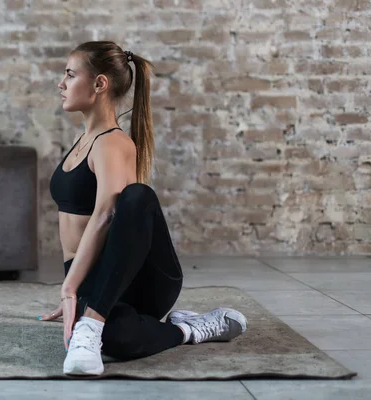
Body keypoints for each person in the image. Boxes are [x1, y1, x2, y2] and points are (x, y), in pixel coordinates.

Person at [37, 41, 247, 376]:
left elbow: (107, 216)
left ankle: (93, 325)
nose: (60, 83)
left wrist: (69, 288)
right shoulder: (84, 141)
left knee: (136, 196)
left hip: (138, 279)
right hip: (94, 275)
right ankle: (184, 327)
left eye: (70, 74)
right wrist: (76, 283)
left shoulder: (112, 143)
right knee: (118, 339)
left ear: (99, 84)